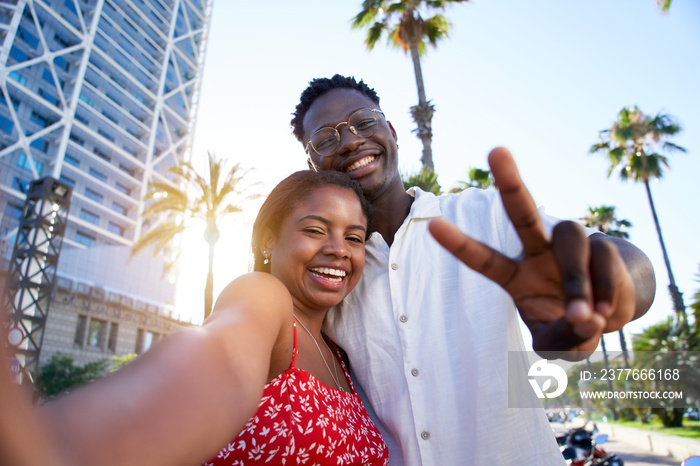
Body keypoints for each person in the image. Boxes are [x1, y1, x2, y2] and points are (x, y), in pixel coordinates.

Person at [290, 74, 656, 465]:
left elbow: (630, 269)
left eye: (364, 122)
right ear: (313, 164)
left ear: (392, 131)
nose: (349, 141)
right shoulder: (330, 277)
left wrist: (606, 285)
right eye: (326, 139)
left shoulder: (485, 214)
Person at [0, 170, 389, 466]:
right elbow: (217, 360)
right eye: (315, 230)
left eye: (354, 238)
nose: (338, 249)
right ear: (269, 240)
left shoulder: (341, 353)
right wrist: (63, 449)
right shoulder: (265, 297)